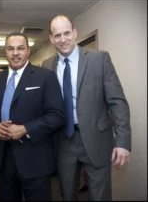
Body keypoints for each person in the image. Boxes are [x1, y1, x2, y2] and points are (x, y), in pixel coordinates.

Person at [41, 15, 131, 201]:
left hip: (97, 140)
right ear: (51, 39)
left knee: (100, 195)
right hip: (63, 140)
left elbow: (117, 102)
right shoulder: (47, 65)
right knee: (67, 194)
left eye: (67, 33)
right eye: (57, 35)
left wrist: (122, 141)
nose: (63, 39)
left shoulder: (100, 59)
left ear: (74, 33)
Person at [0, 32, 66, 201]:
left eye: (20, 48)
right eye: (10, 49)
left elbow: (58, 115)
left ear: (28, 51)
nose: (15, 53)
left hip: (35, 159)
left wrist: (26, 129)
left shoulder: (45, 77)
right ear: (5, 51)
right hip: (2, 160)